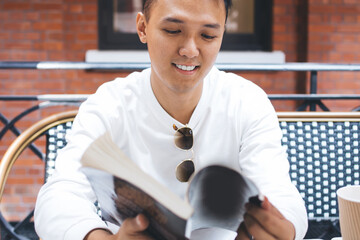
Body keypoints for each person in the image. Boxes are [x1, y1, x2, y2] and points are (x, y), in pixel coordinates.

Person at [34, 0, 308, 239]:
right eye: (173, 30)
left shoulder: (246, 101)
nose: (190, 50)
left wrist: (284, 227)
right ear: (143, 28)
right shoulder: (110, 104)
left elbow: (281, 192)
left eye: (208, 35)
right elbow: (59, 195)